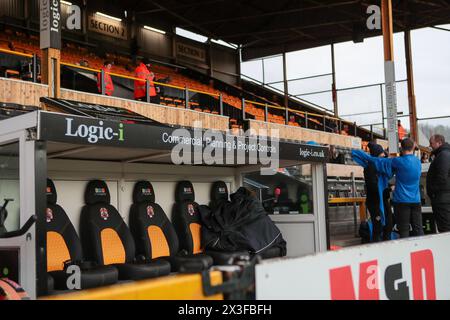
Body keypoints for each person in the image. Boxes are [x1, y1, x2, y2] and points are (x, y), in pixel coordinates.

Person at [353, 138, 423, 238]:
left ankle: (405, 251)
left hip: (402, 201)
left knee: (403, 230)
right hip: (416, 200)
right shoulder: (418, 162)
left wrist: (359, 154)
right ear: (413, 147)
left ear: (401, 149)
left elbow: (378, 161)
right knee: (418, 228)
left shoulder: (398, 161)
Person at [355, 143, 393, 241]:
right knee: (378, 227)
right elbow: (373, 186)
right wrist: (388, 189)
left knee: (388, 225)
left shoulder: (379, 166)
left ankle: (387, 247)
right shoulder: (370, 167)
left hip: (382, 200)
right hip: (375, 202)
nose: (384, 155)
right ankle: (378, 247)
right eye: (381, 154)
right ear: (376, 155)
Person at [426, 134, 450, 233]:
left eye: (431, 143)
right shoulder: (443, 154)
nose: (430, 145)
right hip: (443, 197)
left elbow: (442, 177)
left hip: (442, 199)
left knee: (445, 228)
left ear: (439, 143)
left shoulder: (443, 155)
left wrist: (432, 191)